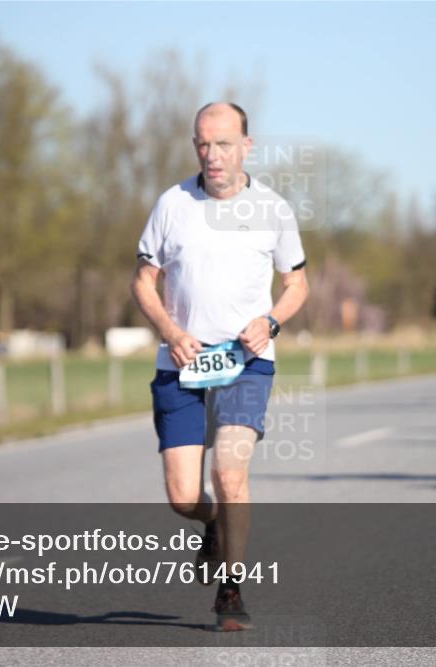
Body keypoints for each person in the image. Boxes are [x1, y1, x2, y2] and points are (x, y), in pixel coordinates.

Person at [131, 102, 309, 631]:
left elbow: (297, 283)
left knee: (229, 473)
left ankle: (230, 589)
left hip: (245, 361)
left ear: (247, 146)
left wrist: (271, 323)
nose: (212, 154)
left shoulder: (273, 209)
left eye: (224, 143)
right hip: (181, 360)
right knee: (184, 496)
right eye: (203, 144)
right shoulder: (172, 205)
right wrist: (171, 331)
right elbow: (143, 281)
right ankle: (211, 524)